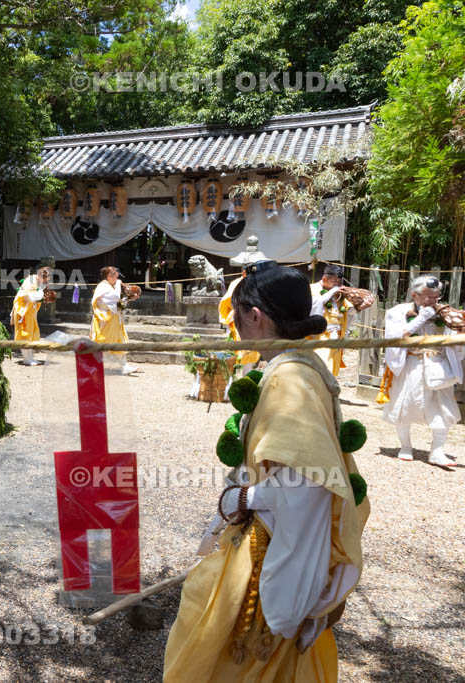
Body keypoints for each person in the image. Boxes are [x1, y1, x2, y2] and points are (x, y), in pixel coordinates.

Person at [164, 261, 369, 681]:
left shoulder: (289, 380)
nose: (234, 329)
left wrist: (244, 498)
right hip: (267, 536)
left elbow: (308, 485)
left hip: (270, 554)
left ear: (254, 316)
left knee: (221, 651)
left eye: (235, 318)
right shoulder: (289, 368)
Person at [382, 276, 463, 466]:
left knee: (443, 407)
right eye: (427, 297)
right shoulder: (398, 311)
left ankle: (437, 451)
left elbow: (454, 339)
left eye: (436, 297)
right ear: (414, 295)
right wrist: (421, 318)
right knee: (404, 404)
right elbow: (396, 337)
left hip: (438, 363)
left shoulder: (446, 313)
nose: (432, 301)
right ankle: (406, 446)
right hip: (410, 361)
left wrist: (459, 330)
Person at [89, 266, 137, 375]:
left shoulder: (110, 287)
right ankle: (94, 366)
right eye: (116, 276)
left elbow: (118, 304)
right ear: (109, 276)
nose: (117, 278)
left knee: (119, 342)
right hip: (105, 321)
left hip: (114, 320)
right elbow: (115, 297)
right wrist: (119, 284)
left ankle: (124, 366)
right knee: (102, 343)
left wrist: (128, 299)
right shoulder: (103, 287)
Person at [309, 265, 351, 376]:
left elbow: (345, 312)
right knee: (320, 372)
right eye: (334, 281)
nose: (337, 284)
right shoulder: (312, 289)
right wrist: (330, 293)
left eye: (339, 281)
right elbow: (312, 307)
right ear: (324, 279)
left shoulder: (339, 292)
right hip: (320, 337)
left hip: (336, 337)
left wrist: (359, 306)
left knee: (332, 373)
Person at [219, 264, 261, 376]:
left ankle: (246, 376)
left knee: (250, 350)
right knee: (234, 350)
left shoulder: (257, 283)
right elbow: (227, 301)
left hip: (252, 320)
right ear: (243, 272)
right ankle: (230, 377)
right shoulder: (236, 283)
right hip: (237, 319)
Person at [12, 258, 53, 366]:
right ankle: (26, 358)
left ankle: (30, 357)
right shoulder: (31, 280)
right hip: (23, 311)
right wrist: (41, 292)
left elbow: (36, 297)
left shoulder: (38, 282)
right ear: (41, 276)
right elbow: (29, 297)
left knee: (32, 334)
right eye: (46, 279)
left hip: (30, 312)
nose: (46, 282)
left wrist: (41, 292)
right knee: (25, 334)